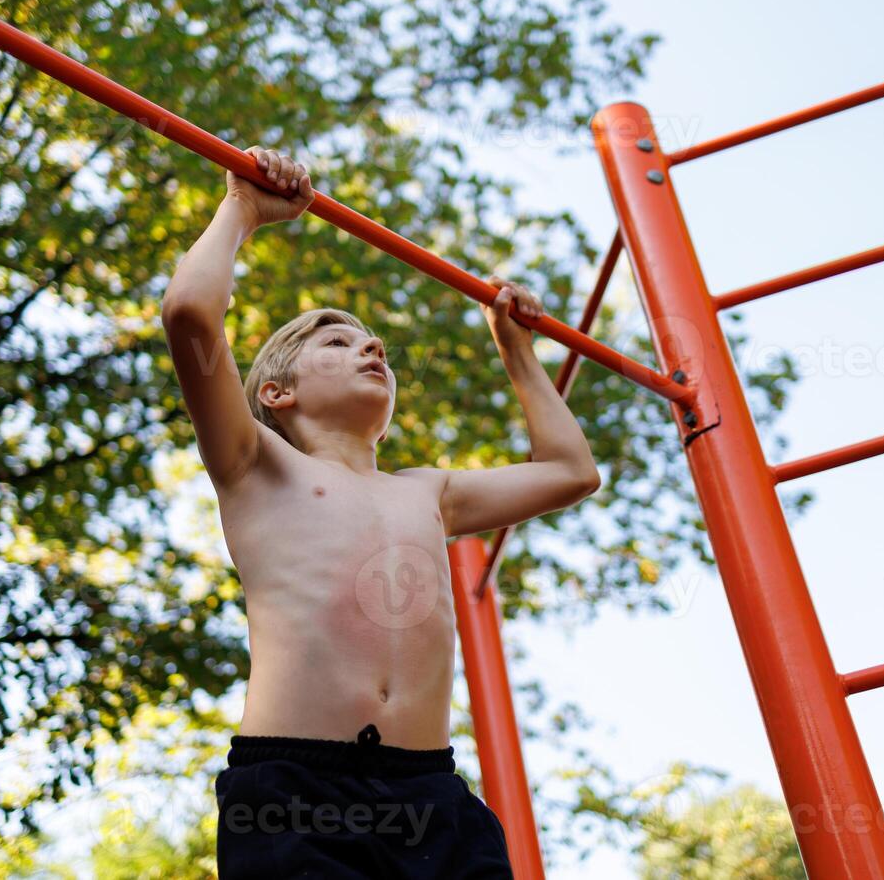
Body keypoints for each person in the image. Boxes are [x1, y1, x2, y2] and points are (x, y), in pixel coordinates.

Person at [161, 146, 601, 877]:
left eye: (376, 348)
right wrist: (241, 206)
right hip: (294, 791)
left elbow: (570, 472)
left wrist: (517, 350)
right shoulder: (255, 466)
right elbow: (189, 314)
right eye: (338, 342)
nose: (372, 347)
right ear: (276, 393)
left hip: (432, 796)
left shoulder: (427, 491)